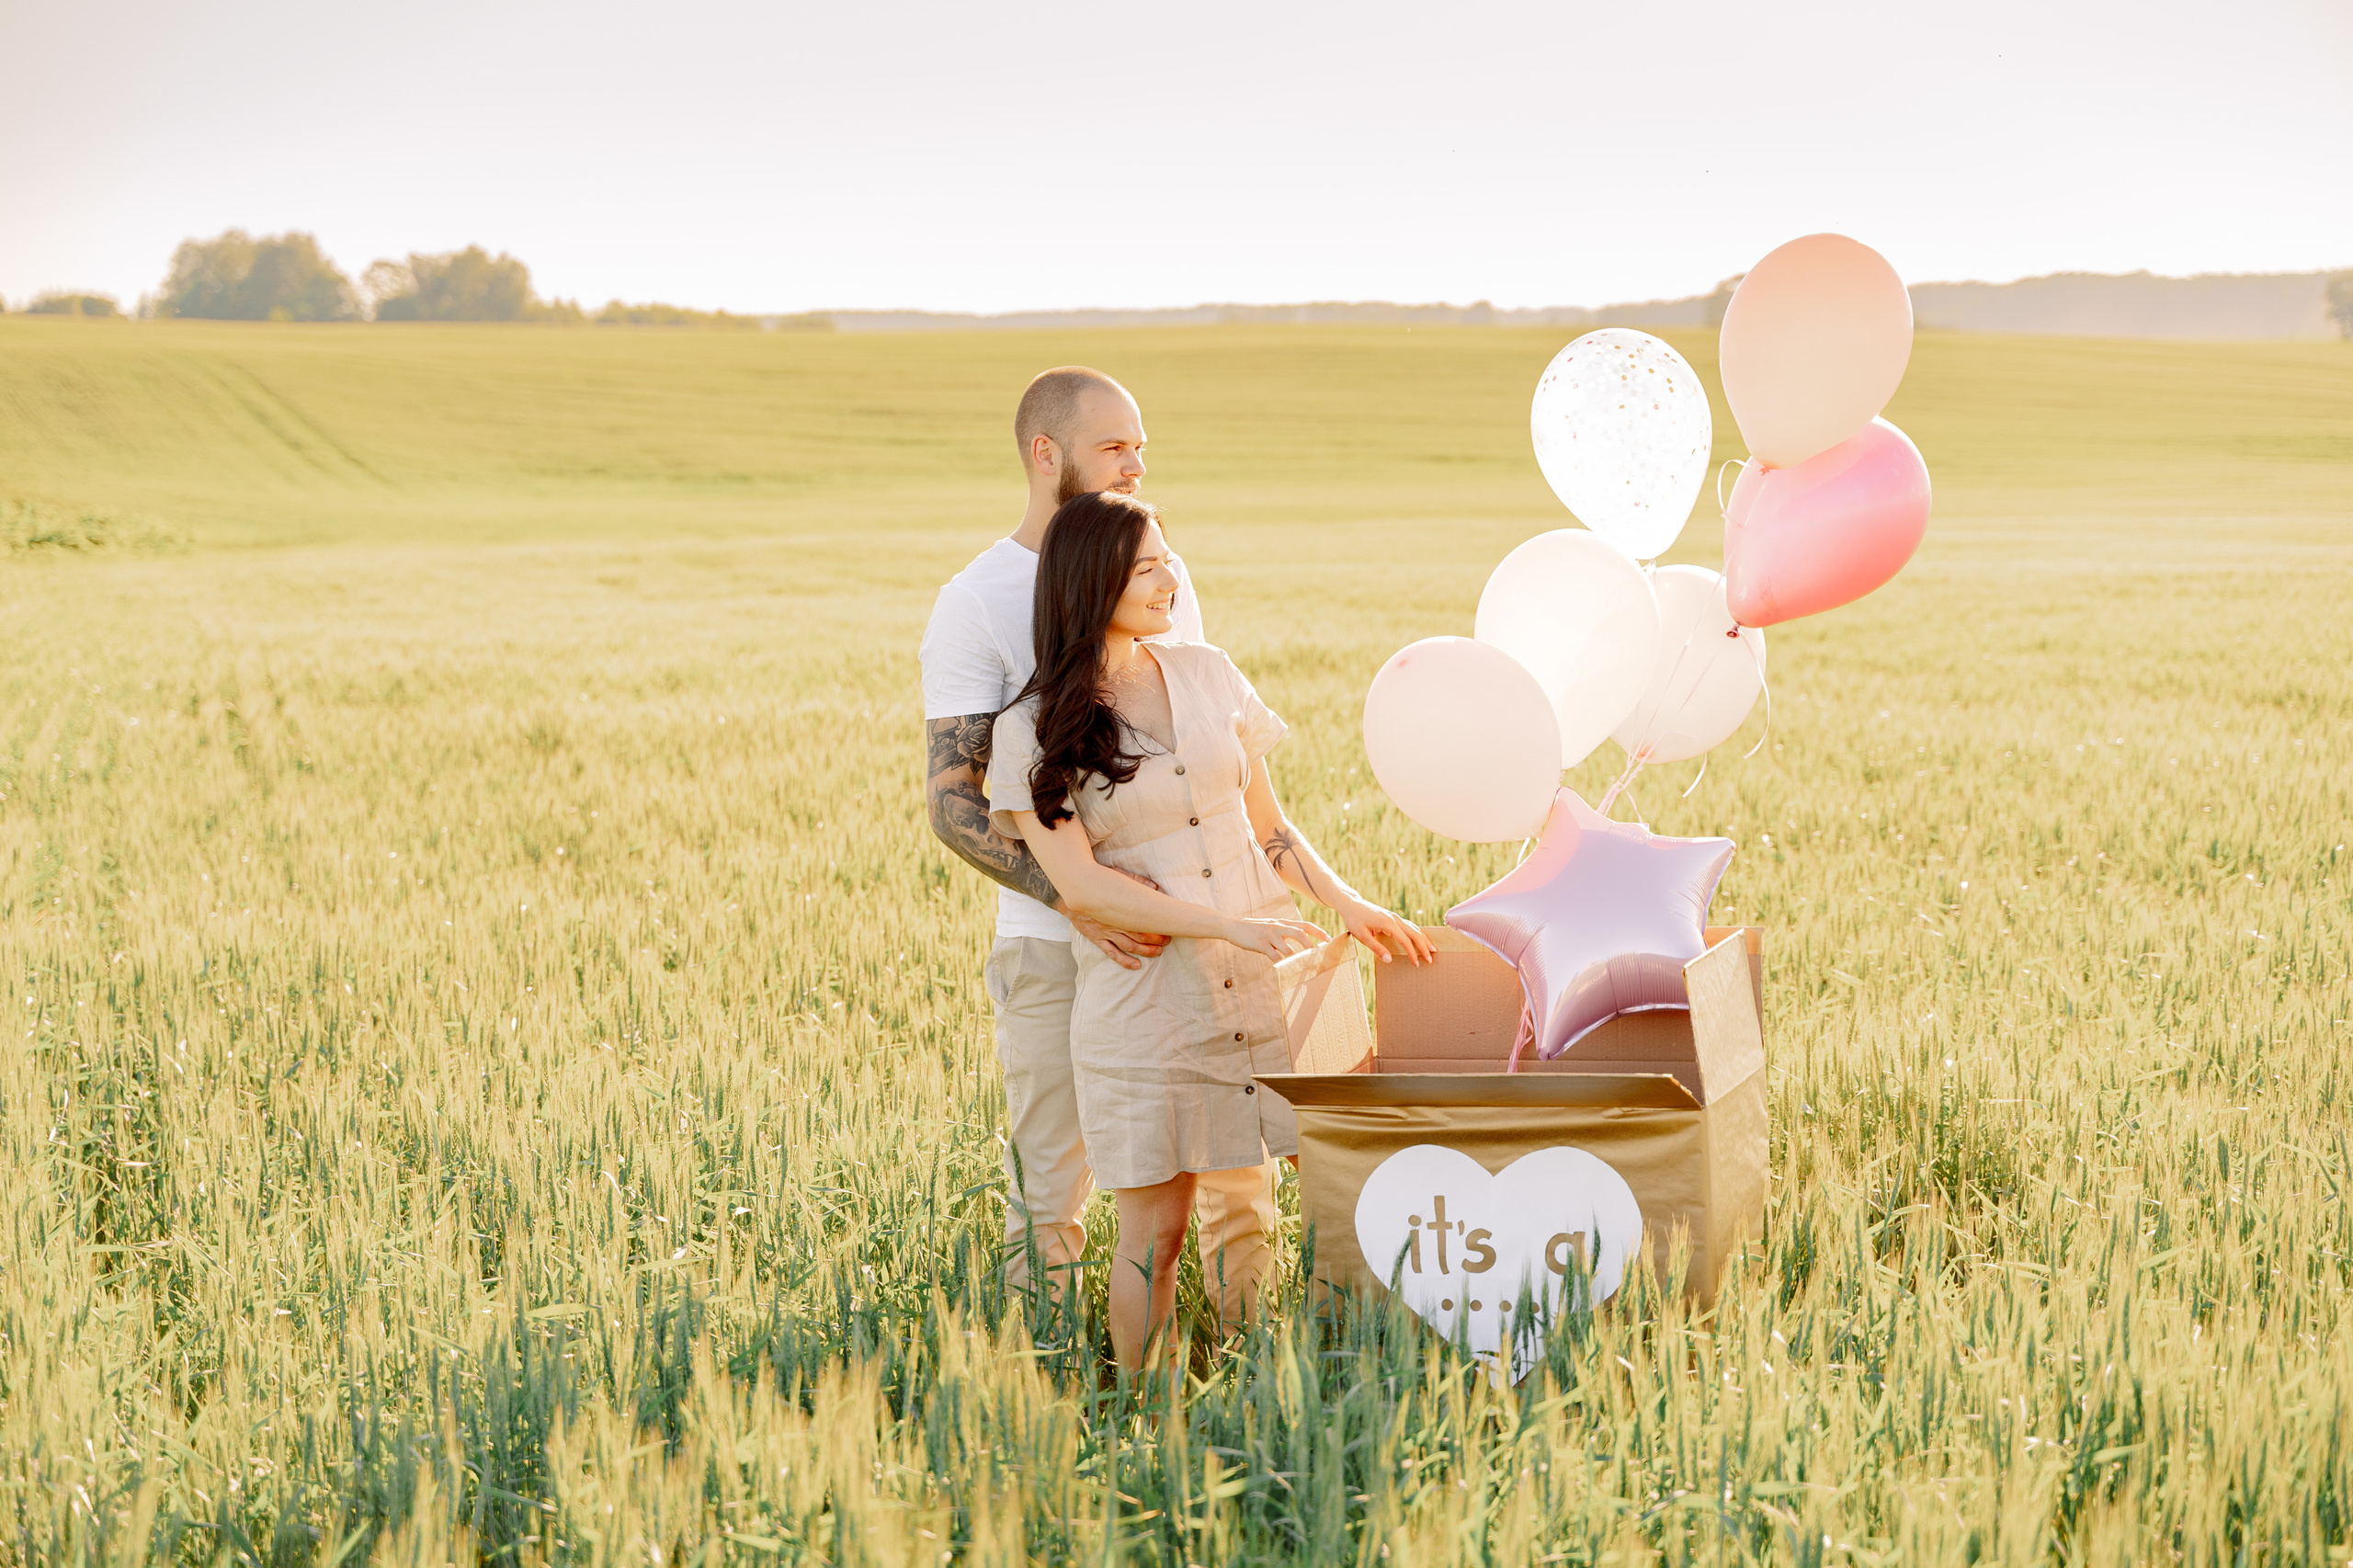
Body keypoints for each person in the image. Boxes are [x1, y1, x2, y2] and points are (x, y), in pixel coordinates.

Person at [987, 490, 1436, 1371]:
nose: (1169, 576)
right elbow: (1083, 887)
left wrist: (1347, 904)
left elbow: (1270, 827)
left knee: (1309, 1191)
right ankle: (1142, 1416)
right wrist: (1224, 924)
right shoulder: (1031, 731)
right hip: (1150, 1005)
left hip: (1267, 982)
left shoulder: (1209, 672)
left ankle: (1264, 1379)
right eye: (1146, 564)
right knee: (1156, 1229)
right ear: (1093, 582)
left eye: (1168, 558)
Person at [919, 367, 1282, 1321]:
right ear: (1048, 454)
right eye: (1116, 446)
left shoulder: (1160, 567)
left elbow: (1197, 741)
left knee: (1236, 1182)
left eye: (1140, 445)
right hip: (1053, 947)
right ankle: (1036, 1384)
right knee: (1054, 1183)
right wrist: (1083, 899)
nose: (1137, 461)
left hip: (1190, 940)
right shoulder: (975, 600)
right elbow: (953, 799)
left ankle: (1243, 1366)